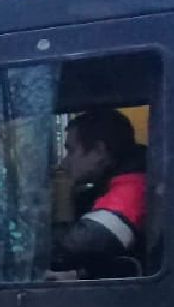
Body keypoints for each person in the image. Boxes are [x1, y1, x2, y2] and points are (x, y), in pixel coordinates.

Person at [52, 108, 148, 280]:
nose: (64, 163)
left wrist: (63, 199)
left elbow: (75, 249)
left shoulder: (133, 189)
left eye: (71, 150)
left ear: (99, 151)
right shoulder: (111, 184)